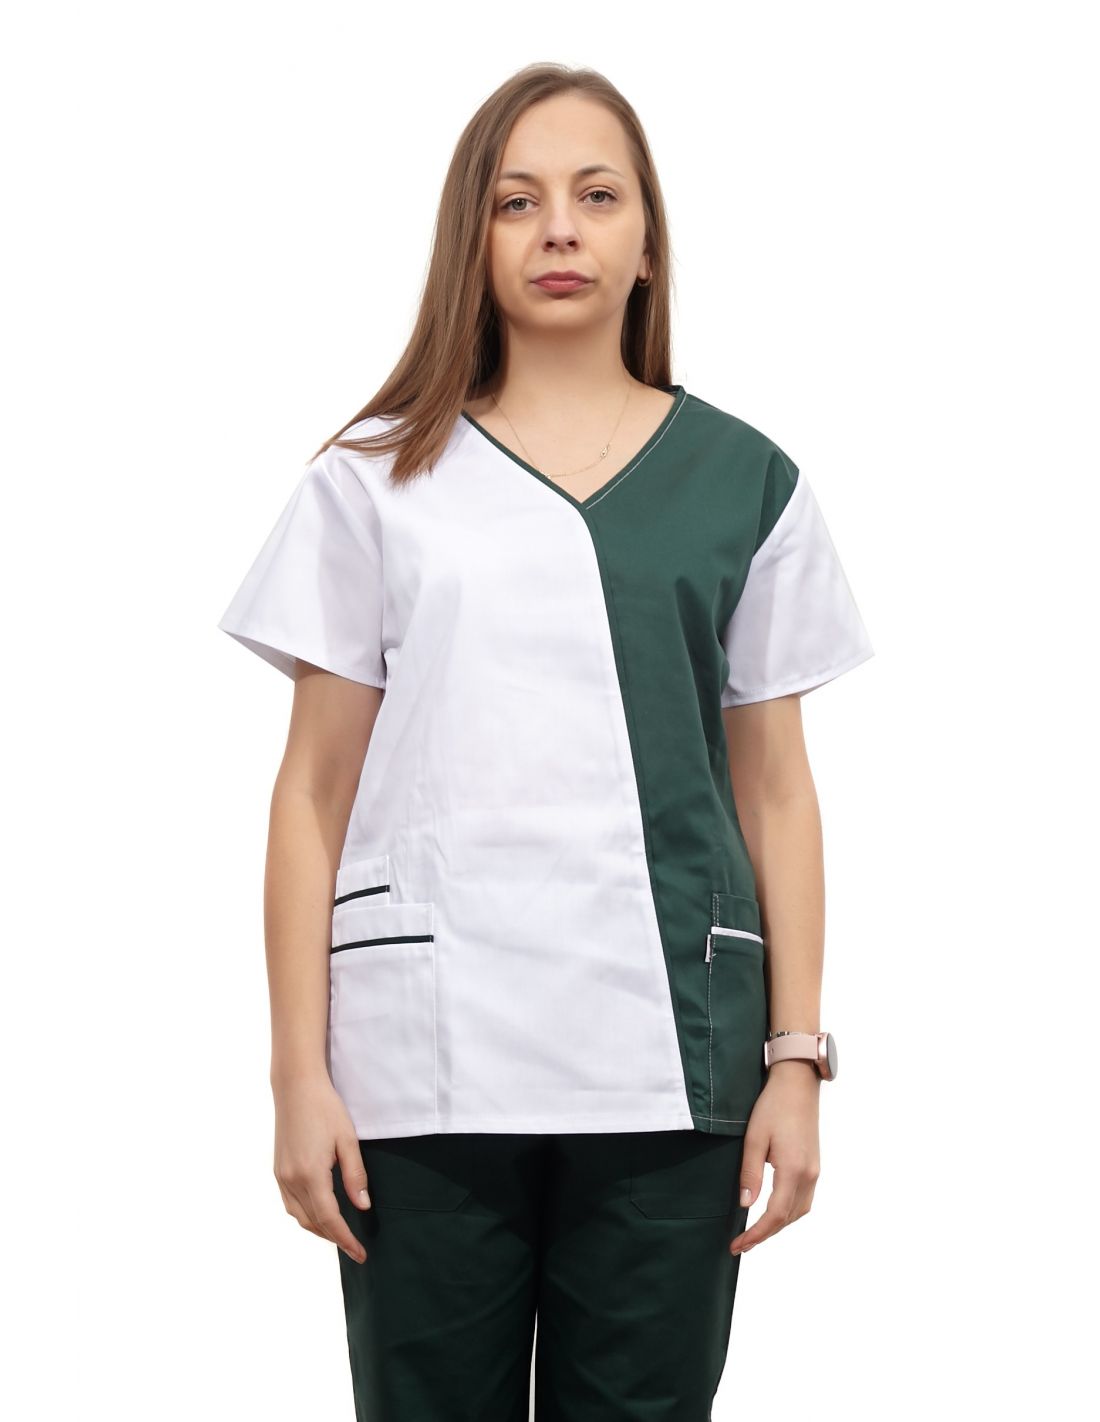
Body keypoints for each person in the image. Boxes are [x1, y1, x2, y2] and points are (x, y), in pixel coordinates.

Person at [217, 62, 875, 1422]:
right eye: (516, 201)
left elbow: (778, 793)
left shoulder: (746, 483)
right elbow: (310, 795)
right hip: (421, 1072)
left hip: (674, 1068)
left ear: (649, 242)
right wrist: (296, 1074)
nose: (559, 229)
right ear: (472, 238)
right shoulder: (373, 480)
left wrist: (797, 1060)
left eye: (596, 196)